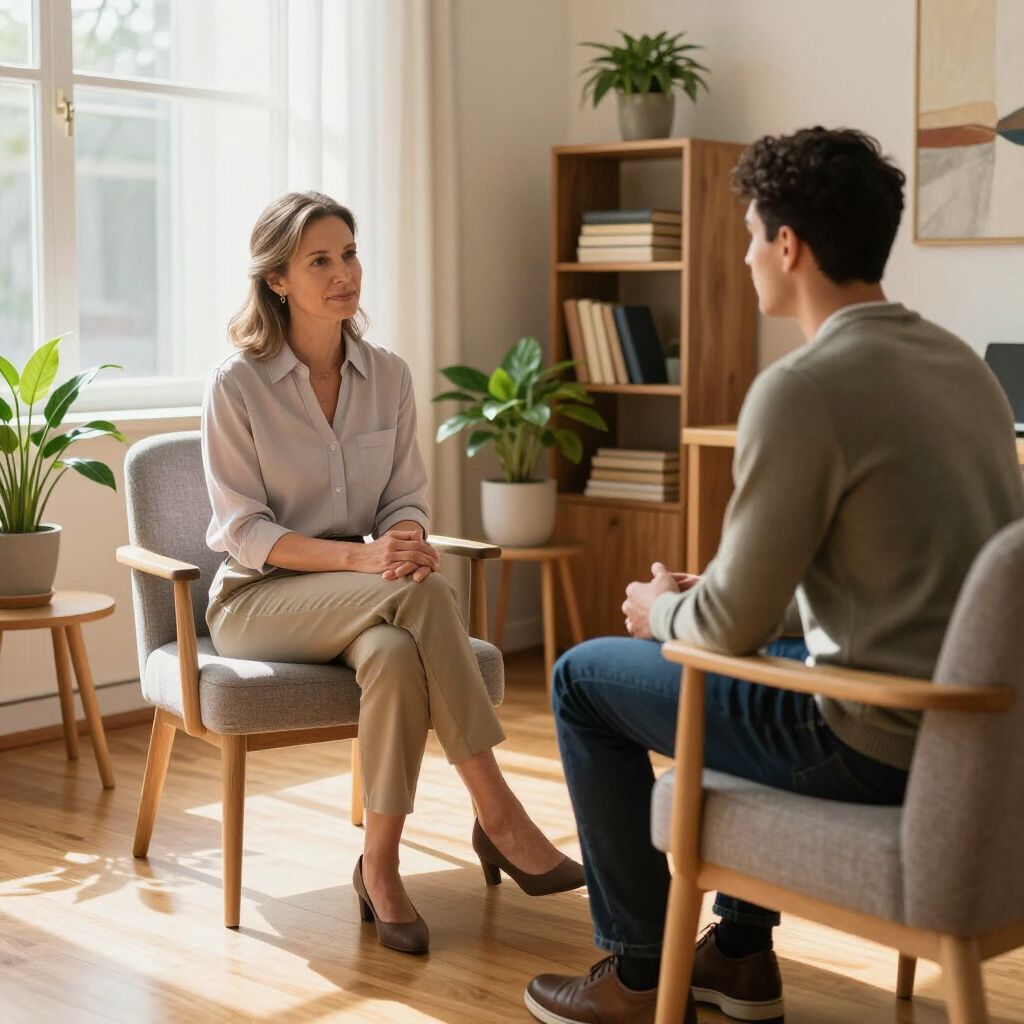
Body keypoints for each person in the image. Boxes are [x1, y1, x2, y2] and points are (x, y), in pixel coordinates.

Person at [524, 128, 1024, 1024]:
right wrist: (709, 596)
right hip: (976, 742)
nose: (748, 254)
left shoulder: (802, 387)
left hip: (870, 740)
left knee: (580, 678)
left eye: (753, 232)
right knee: (765, 639)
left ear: (788, 245)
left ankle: (641, 970)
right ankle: (740, 959)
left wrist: (663, 608)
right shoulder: (966, 371)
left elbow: (721, 634)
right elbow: (879, 572)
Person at [202, 191, 583, 956]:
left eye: (349, 254)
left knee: (397, 650)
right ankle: (499, 813)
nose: (344, 274)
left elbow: (405, 498)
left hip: (371, 600)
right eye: (320, 261)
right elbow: (242, 530)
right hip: (261, 598)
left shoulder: (389, 376)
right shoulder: (236, 385)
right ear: (277, 280)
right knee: (419, 597)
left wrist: (404, 540)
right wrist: (364, 559)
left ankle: (378, 866)